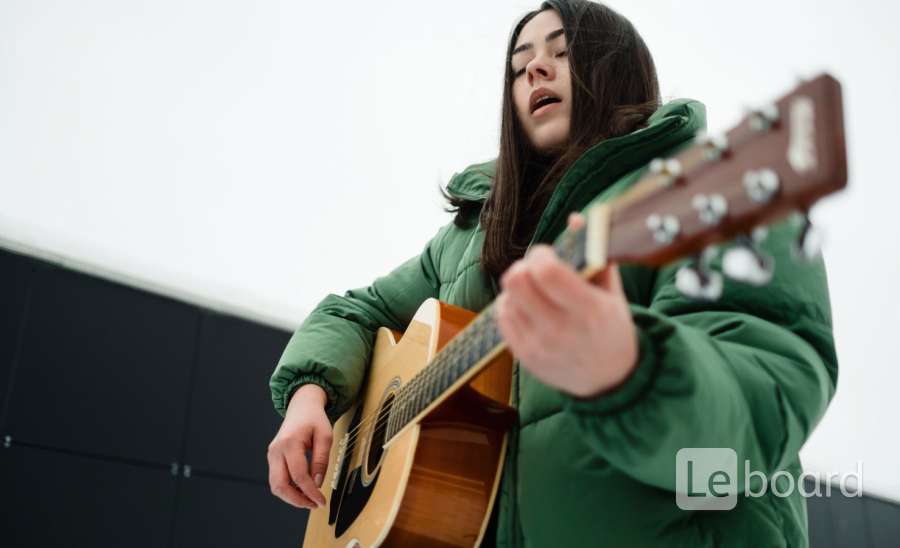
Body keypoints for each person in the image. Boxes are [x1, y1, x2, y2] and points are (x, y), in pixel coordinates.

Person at [267, 1, 837, 546]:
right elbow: (355, 310)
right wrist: (309, 394)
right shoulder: (469, 234)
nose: (534, 67)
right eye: (519, 67)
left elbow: (755, 418)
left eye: (562, 53)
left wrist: (628, 369)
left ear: (619, 69)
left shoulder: (699, 192)